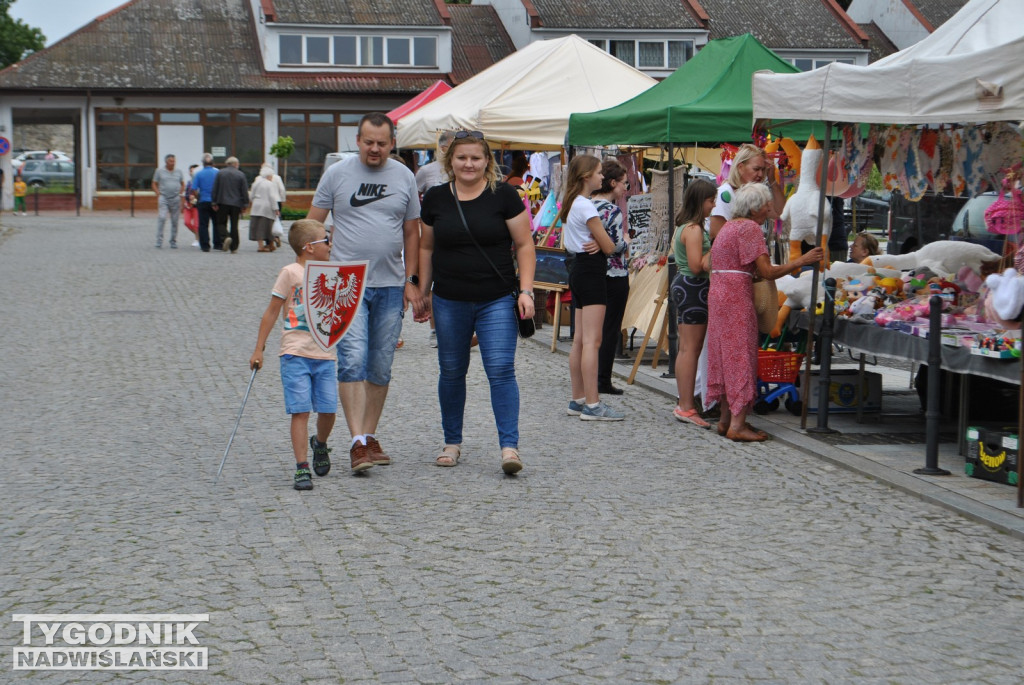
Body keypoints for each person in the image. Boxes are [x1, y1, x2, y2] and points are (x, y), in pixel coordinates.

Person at [306, 112, 422, 472]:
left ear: (392, 143)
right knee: (353, 358)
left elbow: (412, 233)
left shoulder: (404, 176)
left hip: (390, 284)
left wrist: (413, 281)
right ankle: (356, 440)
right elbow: (312, 225)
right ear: (357, 140)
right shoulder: (337, 175)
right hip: (346, 284)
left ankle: (370, 435)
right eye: (368, 142)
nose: (375, 149)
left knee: (381, 364)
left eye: (382, 143)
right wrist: (311, 274)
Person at [416, 130, 536, 474]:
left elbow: (525, 246)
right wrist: (421, 291)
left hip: (496, 299)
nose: (469, 164)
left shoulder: (505, 196)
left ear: (487, 161)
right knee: (452, 372)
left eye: (476, 158)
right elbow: (426, 248)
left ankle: (509, 448)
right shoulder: (436, 198)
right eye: (462, 157)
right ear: (450, 161)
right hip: (449, 299)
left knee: (500, 370)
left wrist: (526, 290)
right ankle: (452, 443)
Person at [705, 183, 822, 442]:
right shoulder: (750, 229)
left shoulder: (730, 227)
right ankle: (737, 424)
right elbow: (767, 272)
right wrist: (801, 261)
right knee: (741, 356)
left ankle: (725, 421)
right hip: (736, 297)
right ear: (757, 207)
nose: (772, 207)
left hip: (719, 295)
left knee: (726, 356)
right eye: (768, 203)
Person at [249, 219, 343, 487]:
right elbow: (272, 311)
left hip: (325, 352)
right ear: (308, 247)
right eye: (325, 240)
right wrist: (259, 349)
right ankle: (302, 466)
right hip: (294, 351)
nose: (330, 244)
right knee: (300, 411)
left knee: (328, 410)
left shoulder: (333, 273)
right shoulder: (290, 272)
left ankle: (320, 443)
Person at [560, 155, 624, 421]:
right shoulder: (586, 206)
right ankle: (593, 404)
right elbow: (611, 246)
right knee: (592, 341)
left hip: (577, 269)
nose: (601, 177)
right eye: (598, 173)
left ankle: (578, 399)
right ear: (586, 176)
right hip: (591, 271)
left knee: (579, 340)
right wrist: (603, 242)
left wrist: (599, 242)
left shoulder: (572, 202)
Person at [670, 179, 717, 427]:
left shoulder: (683, 226)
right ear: (701, 202)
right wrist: (717, 246)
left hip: (686, 286)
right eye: (711, 201)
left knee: (687, 349)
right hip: (694, 287)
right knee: (691, 349)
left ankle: (684, 403)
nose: (714, 205)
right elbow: (698, 265)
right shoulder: (694, 229)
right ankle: (687, 406)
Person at [589, 159, 630, 396]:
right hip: (614, 273)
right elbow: (613, 246)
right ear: (613, 183)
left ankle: (592, 376)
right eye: (624, 183)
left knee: (592, 330)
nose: (626, 187)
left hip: (594, 273)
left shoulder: (584, 205)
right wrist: (627, 242)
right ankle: (602, 379)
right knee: (609, 328)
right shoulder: (611, 210)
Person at [709, 143, 784, 240]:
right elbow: (717, 235)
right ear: (740, 167)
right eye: (756, 169)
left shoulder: (755, 196)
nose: (761, 174)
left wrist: (772, 181)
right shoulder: (725, 194)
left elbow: (780, 213)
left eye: (763, 169)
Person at [212, 156, 249, 253]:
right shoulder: (241, 174)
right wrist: (245, 204)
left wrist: (214, 202)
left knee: (220, 223)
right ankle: (234, 247)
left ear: (227, 164)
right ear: (236, 164)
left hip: (222, 202)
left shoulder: (220, 173)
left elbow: (215, 188)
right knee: (234, 225)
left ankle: (226, 237)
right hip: (236, 204)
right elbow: (244, 190)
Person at [151, 154, 185, 249]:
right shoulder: (159, 171)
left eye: (174, 161)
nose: (173, 163)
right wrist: (158, 193)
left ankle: (173, 241)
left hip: (175, 198)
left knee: (175, 220)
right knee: (162, 217)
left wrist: (180, 193)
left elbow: (182, 184)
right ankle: (159, 240)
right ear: (166, 162)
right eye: (171, 161)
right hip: (164, 197)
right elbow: (154, 183)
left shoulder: (179, 172)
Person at [249, 166, 281, 252]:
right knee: (268, 227)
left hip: (256, 207)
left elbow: (251, 196)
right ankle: (270, 244)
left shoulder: (255, 183)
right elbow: (272, 197)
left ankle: (261, 246)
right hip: (266, 208)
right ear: (269, 176)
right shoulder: (270, 184)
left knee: (258, 228)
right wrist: (276, 209)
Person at [415, 130, 454, 196]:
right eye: (452, 148)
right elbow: (414, 197)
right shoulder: (426, 170)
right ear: (442, 148)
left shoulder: (463, 170)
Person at [193, 154, 219, 251]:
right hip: (215, 201)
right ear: (213, 163)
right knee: (216, 223)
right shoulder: (217, 173)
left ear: (203, 163)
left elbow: (194, 189)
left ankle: (205, 245)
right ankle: (217, 244)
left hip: (203, 201)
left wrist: (198, 197)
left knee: (203, 224)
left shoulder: (198, 174)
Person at [261, 162, 287, 248]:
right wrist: (282, 199)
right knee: (276, 220)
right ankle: (276, 236)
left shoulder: (261, 178)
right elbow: (282, 190)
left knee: (266, 221)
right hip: (277, 201)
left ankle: (269, 241)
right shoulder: (277, 178)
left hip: (265, 202)